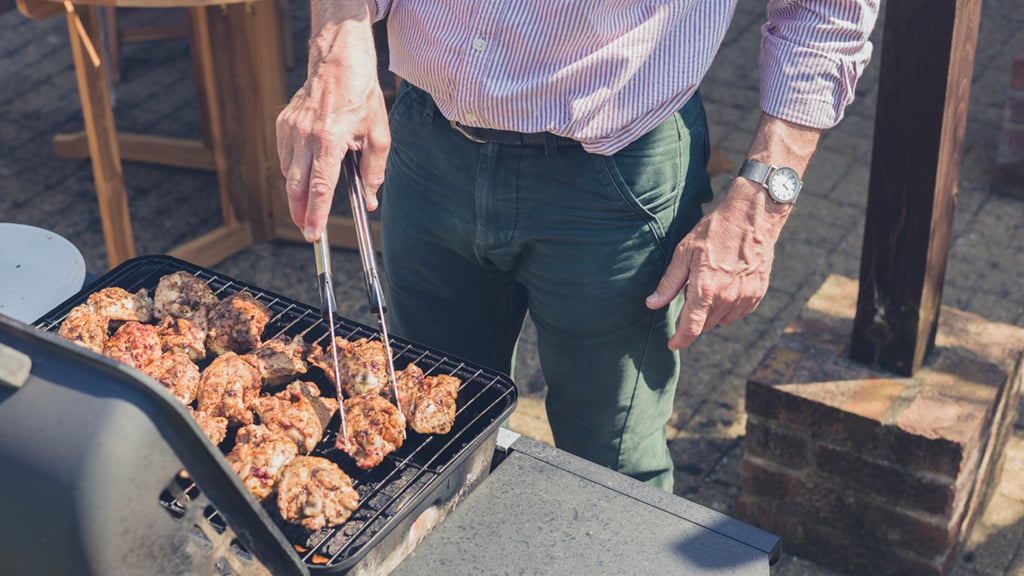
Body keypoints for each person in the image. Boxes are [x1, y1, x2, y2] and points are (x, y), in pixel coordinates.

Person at [276, 1, 879, 492]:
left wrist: (763, 200)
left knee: (610, 468)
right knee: (427, 431)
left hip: (615, 176)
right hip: (425, 138)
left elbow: (826, 10)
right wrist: (341, 34)